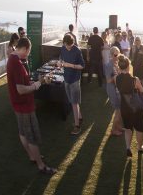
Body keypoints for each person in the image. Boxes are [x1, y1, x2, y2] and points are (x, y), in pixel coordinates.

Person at [6, 37, 57, 175]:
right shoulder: (16, 63)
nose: (28, 54)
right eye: (29, 51)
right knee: (32, 136)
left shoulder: (13, 59)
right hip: (24, 106)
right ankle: (41, 166)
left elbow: (22, 82)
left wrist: (36, 81)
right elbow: (21, 89)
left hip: (18, 105)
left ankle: (32, 156)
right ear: (25, 49)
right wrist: (37, 84)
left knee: (22, 132)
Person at [116, 55, 143, 157]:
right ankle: (139, 147)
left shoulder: (117, 78)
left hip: (124, 107)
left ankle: (128, 147)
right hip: (135, 107)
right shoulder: (135, 79)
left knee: (128, 128)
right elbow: (141, 91)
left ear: (119, 67)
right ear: (129, 66)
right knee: (139, 128)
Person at [58, 34, 85, 135]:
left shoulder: (77, 51)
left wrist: (71, 65)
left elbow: (82, 66)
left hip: (74, 80)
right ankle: (80, 117)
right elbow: (61, 57)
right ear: (64, 43)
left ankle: (77, 126)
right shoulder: (63, 48)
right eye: (67, 45)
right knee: (73, 101)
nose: (69, 47)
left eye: (70, 45)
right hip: (66, 78)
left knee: (74, 103)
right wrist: (59, 62)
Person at [104, 46, 124, 136]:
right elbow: (108, 80)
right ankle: (113, 130)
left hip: (118, 89)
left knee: (120, 110)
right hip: (112, 90)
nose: (117, 56)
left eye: (118, 54)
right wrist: (116, 76)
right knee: (118, 110)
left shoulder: (117, 63)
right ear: (111, 55)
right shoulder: (108, 65)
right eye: (116, 55)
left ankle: (118, 127)